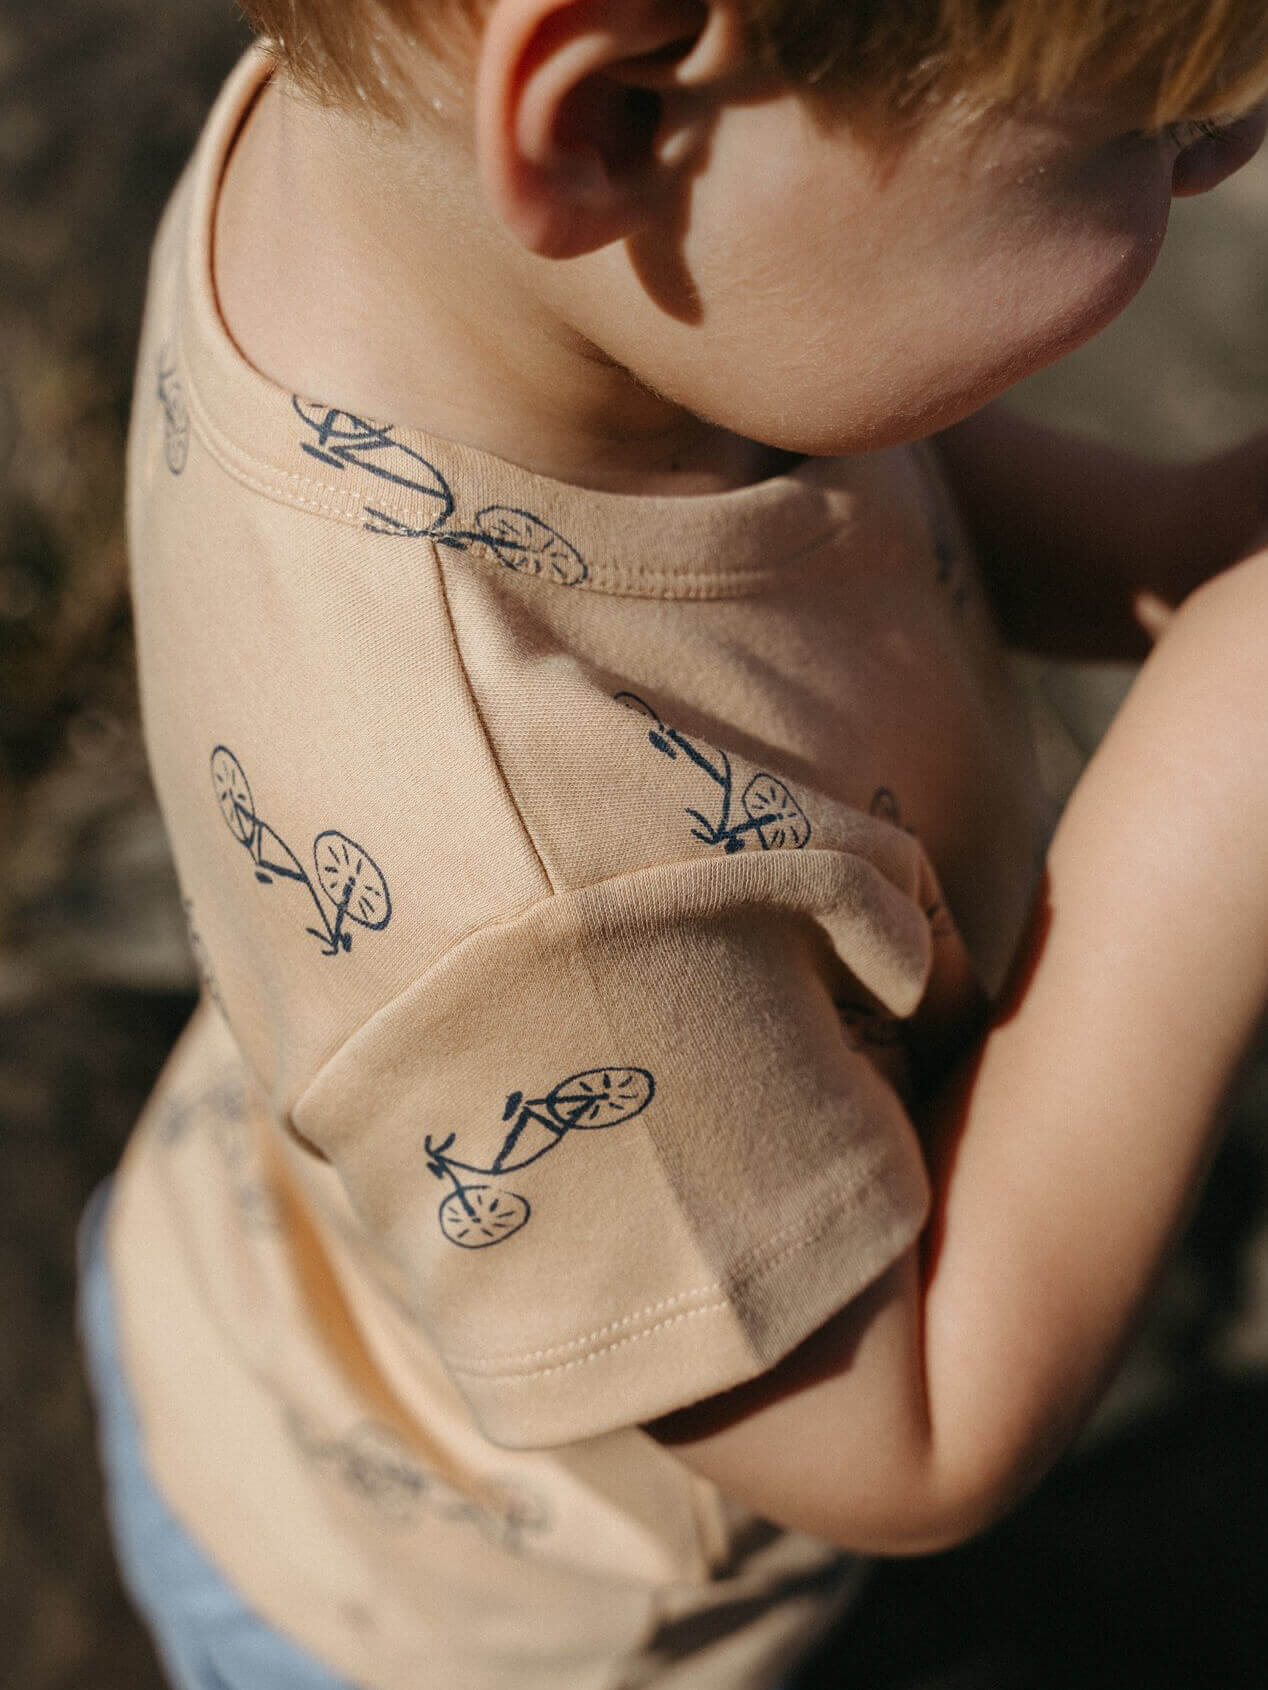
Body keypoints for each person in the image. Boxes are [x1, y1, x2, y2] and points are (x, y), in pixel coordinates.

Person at [78, 2, 1268, 1687]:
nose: (1228, 160)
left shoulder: (423, 211)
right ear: (617, 121)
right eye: (1130, 141)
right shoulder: (530, 887)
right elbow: (904, 1433)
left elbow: (808, 429)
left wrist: (1174, 548)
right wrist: (1217, 805)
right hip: (463, 1614)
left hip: (279, 1269)